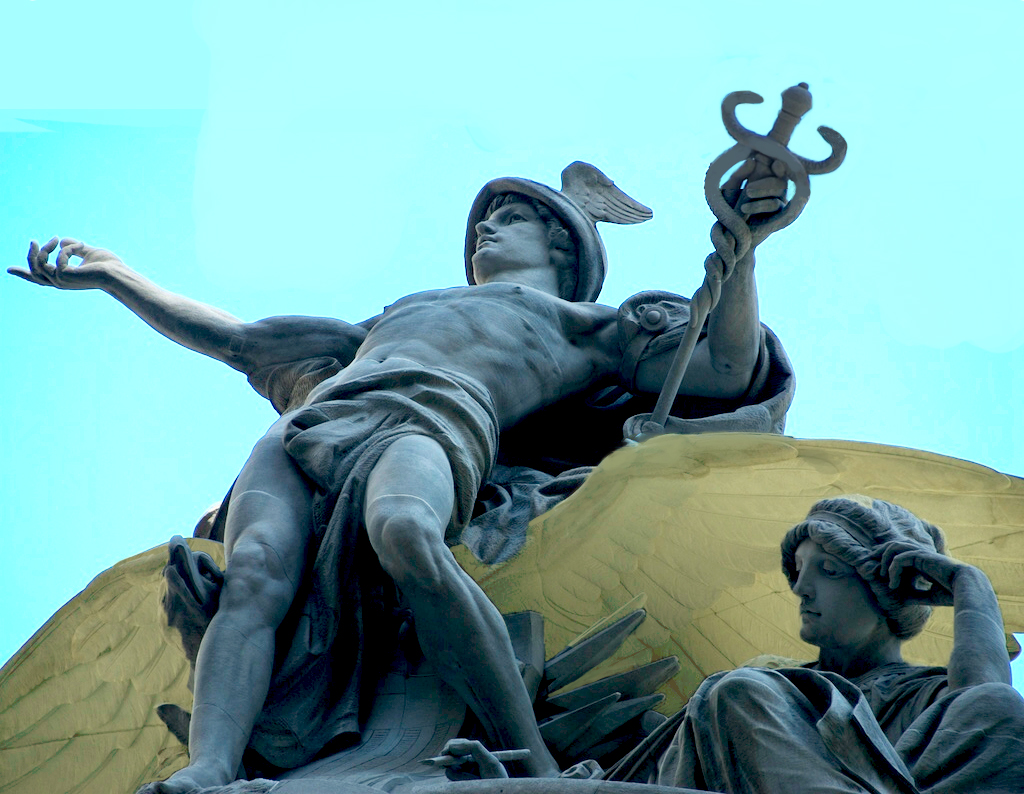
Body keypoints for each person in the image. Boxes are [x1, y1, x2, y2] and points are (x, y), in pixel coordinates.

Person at [10, 162, 791, 793]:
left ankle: (530, 755)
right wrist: (118, 277)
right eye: (483, 220)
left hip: (433, 421)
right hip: (310, 428)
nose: (484, 228)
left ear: (563, 243)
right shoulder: (394, 313)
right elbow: (241, 340)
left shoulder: (588, 327)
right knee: (253, 573)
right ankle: (211, 765)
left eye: (508, 217)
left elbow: (726, 366)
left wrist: (745, 250)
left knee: (409, 534)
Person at [605, 495, 1024, 793]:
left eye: (829, 570)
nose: (800, 587)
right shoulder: (764, 686)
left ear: (887, 594)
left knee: (999, 703)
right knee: (741, 688)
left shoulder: (925, 696)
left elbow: (987, 701)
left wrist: (970, 583)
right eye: (800, 568)